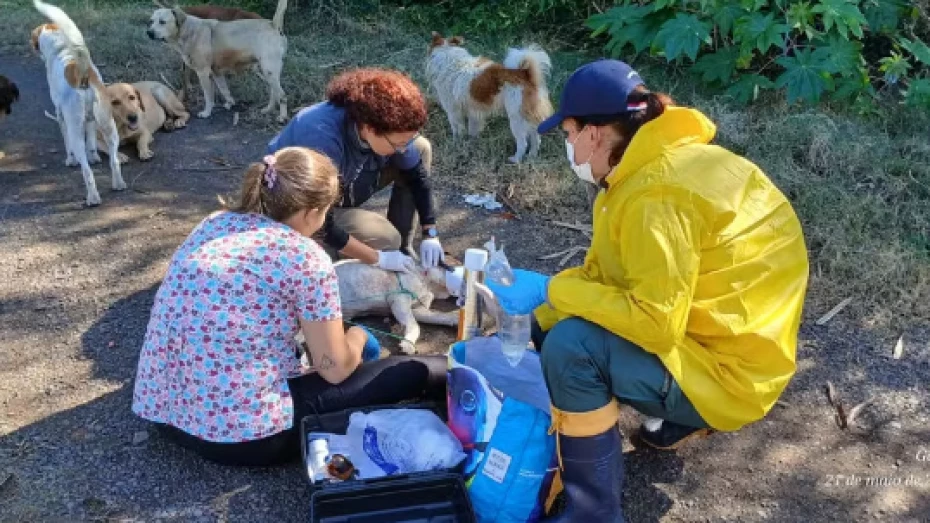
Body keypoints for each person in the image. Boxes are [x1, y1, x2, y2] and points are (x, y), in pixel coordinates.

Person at [484, 60, 810, 521]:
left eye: (568, 133)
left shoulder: (654, 196)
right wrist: (546, 312)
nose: (569, 146)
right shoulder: (664, 165)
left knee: (572, 349)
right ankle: (677, 418)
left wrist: (557, 291)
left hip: (727, 374)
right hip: (741, 348)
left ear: (594, 133)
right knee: (550, 327)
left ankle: (594, 511)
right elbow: (619, 278)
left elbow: (654, 325)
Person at [132, 147, 447, 466]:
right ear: (312, 213)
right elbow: (334, 369)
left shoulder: (215, 223)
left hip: (164, 412)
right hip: (243, 437)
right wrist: (359, 339)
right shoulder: (306, 257)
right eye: (327, 212)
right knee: (422, 369)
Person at [267, 67, 444, 272]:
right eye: (397, 144)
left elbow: (417, 176)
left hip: (341, 188)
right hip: (299, 209)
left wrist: (430, 232)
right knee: (383, 242)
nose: (403, 149)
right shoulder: (320, 138)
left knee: (421, 148)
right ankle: (328, 253)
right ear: (369, 128)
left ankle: (403, 249)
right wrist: (378, 258)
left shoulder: (374, 126)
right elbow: (319, 219)